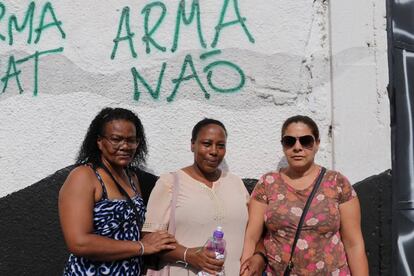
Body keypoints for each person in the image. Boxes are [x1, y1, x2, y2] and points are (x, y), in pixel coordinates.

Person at [240, 115, 369, 276]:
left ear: (317, 144)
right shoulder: (268, 183)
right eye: (290, 141)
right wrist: (245, 269)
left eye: (306, 141)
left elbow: (354, 244)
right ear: (283, 145)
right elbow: (251, 237)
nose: (297, 147)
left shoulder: (337, 183)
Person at [59, 107, 176, 275]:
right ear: (99, 141)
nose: (125, 146)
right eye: (116, 139)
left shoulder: (132, 177)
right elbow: (79, 242)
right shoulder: (84, 176)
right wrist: (142, 246)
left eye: (131, 140)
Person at [142, 118, 250, 275]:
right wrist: (188, 255)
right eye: (206, 144)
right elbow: (150, 238)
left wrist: (257, 258)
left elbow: (254, 231)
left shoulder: (236, 183)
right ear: (193, 144)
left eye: (221, 146)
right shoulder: (170, 182)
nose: (214, 151)